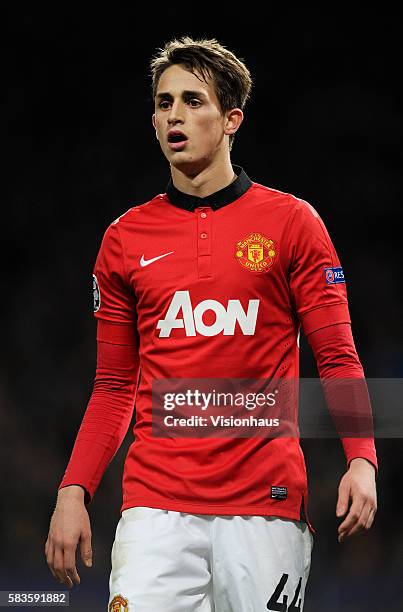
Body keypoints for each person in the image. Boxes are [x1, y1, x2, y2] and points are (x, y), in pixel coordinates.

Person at [45, 36, 378, 611]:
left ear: (231, 119)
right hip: (155, 509)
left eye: (193, 101)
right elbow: (114, 387)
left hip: (266, 506)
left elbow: (338, 358)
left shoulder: (292, 223)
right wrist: (73, 492)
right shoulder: (125, 239)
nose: (175, 115)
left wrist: (362, 459)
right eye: (164, 102)